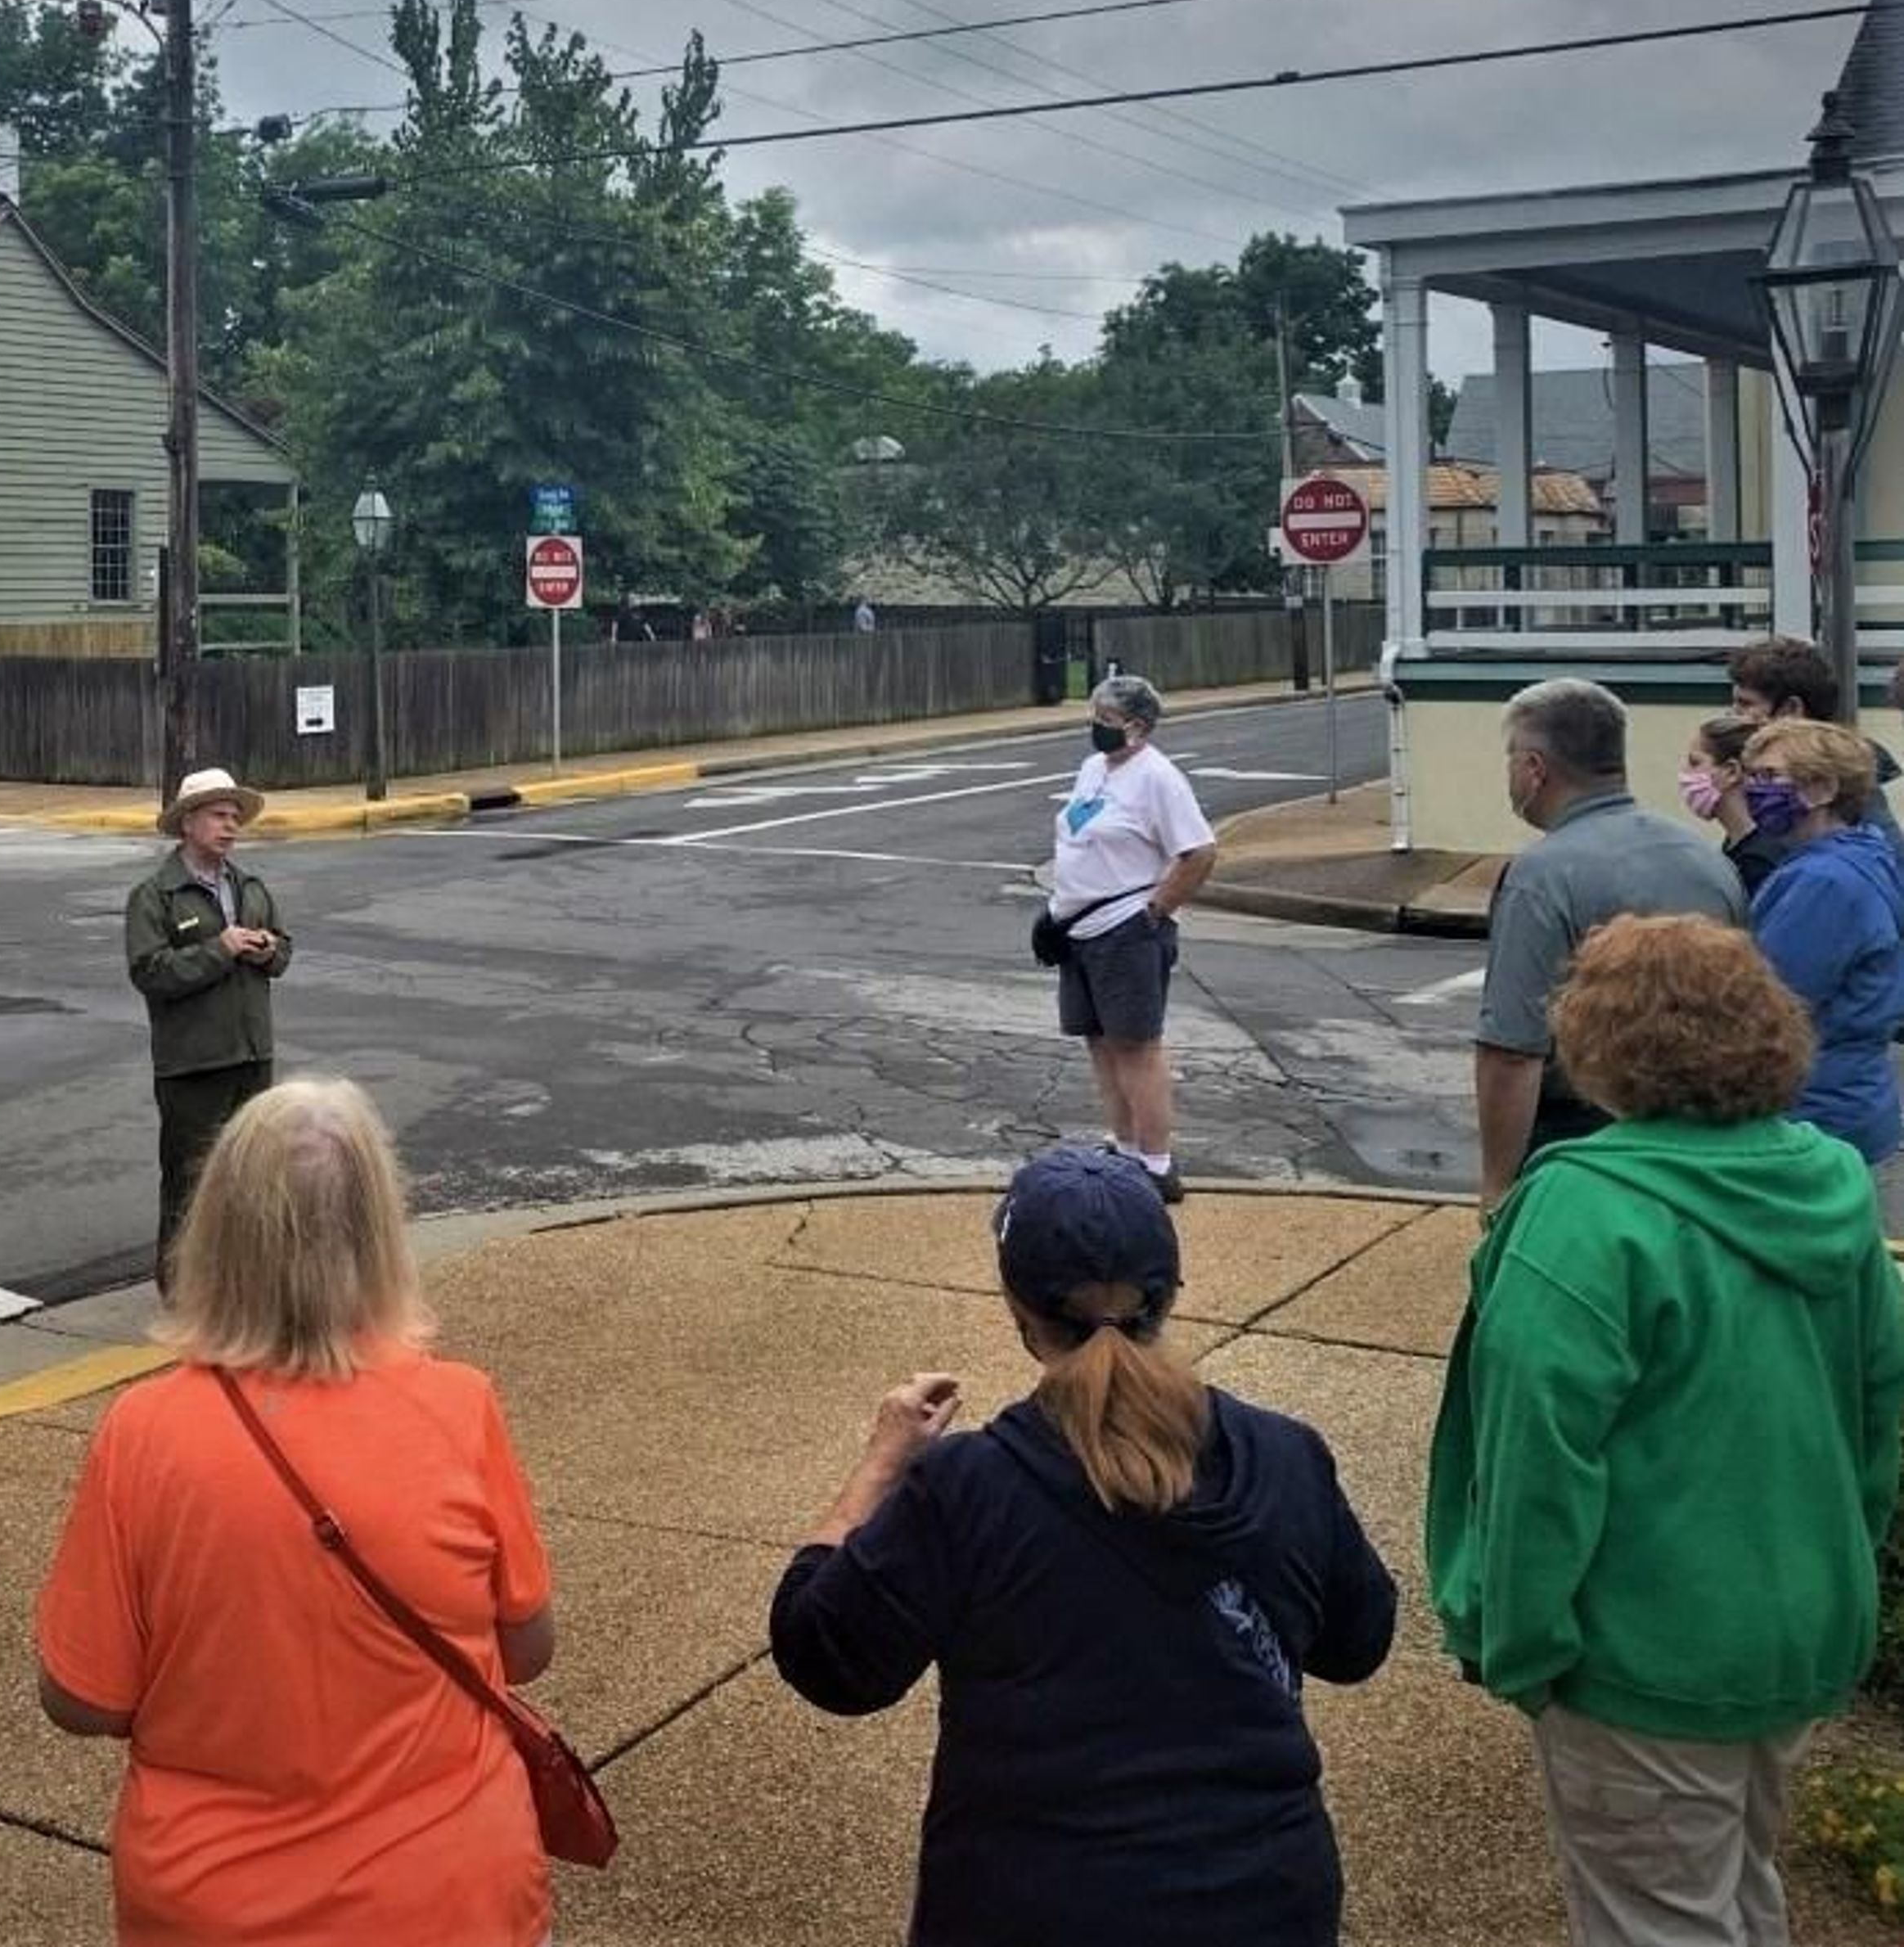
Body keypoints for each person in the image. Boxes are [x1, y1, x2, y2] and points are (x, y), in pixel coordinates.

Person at [770, 1144, 1396, 1947]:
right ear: (1168, 1298)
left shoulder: (968, 1488)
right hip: (1268, 1899)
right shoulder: (1285, 1455)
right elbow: (1359, 1643)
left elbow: (823, 1654)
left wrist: (883, 1461)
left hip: (1032, 1904)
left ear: (1019, 1310)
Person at [1429, 915, 1904, 1947]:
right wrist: (1839, 1574)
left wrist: (1520, 1642)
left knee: (1659, 1921)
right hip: (1799, 1626)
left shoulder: (1582, 1214)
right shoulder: (1830, 1185)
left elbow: (1534, 1465)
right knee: (1739, 1889)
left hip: (1645, 1653)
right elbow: (1879, 1417)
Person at [35, 1078, 558, 1947]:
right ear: (383, 1233)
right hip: (450, 1897)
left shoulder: (143, 1434)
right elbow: (527, 1648)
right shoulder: (461, 1409)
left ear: (217, 1232)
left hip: (214, 1905)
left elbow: (82, 1698)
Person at [1475, 679, 1744, 1207]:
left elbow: (1511, 1053)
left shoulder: (1540, 877)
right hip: (1705, 1136)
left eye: (1512, 759)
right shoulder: (1711, 863)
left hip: (1582, 1141)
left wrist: (1497, 1189)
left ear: (1535, 769)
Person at [1042, 674, 1218, 1203]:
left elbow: (1199, 851)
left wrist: (1155, 911)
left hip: (1127, 930)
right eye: (1093, 716)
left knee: (1136, 1046)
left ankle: (1156, 1161)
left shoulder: (1158, 778)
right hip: (1080, 928)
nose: (1095, 727)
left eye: (1106, 720)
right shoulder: (1094, 769)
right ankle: (1122, 1146)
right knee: (1100, 1044)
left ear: (1137, 728)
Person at [124, 766, 293, 1293]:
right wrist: (219, 950)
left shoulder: (251, 887)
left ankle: (244, 1288)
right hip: (193, 1065)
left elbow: (284, 950)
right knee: (191, 1182)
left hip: (251, 1056)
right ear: (188, 823)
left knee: (253, 1179)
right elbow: (149, 972)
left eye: (234, 817)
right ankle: (182, 1292)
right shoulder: (156, 896)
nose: (230, 826)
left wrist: (268, 949)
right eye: (219, 816)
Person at [1743, 719, 1904, 1230]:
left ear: (1824, 788)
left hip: (1816, 1111)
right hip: (1851, 1100)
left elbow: (1768, 999)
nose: (1754, 789)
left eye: (1770, 776)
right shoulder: (1861, 855)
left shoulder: (1823, 883)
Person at [1726, 633, 1901, 841]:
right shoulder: (1778, 790)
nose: (1732, 717)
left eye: (1745, 704)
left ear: (1790, 711)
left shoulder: (1855, 800)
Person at [1678, 715, 1787, 895]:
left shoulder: (1759, 860)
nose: (1684, 774)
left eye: (1695, 763)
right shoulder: (1734, 843)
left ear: (1731, 772)